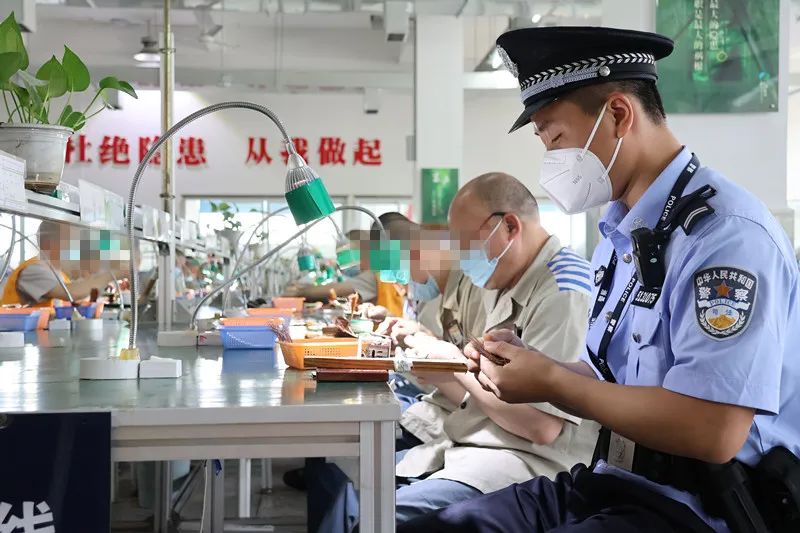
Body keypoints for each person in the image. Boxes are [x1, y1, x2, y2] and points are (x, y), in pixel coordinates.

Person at [400, 26, 800, 533]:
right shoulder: (620, 233)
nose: (551, 160)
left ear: (617, 115)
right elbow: (616, 380)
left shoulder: (725, 236)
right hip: (614, 479)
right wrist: (538, 365)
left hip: (700, 505)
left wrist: (553, 383)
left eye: (555, 138)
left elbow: (713, 430)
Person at [307, 173, 598, 531]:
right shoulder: (504, 279)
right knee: (356, 484)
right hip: (479, 439)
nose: (460, 257)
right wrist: (437, 355)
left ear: (509, 226)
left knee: (374, 515)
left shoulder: (563, 291)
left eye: (466, 244)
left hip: (529, 463)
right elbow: (476, 387)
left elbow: (542, 427)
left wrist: (450, 359)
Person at [1, 221, 124, 307]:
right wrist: (111, 274)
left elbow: (76, 300)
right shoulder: (34, 269)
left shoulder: (58, 272)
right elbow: (71, 293)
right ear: (50, 244)